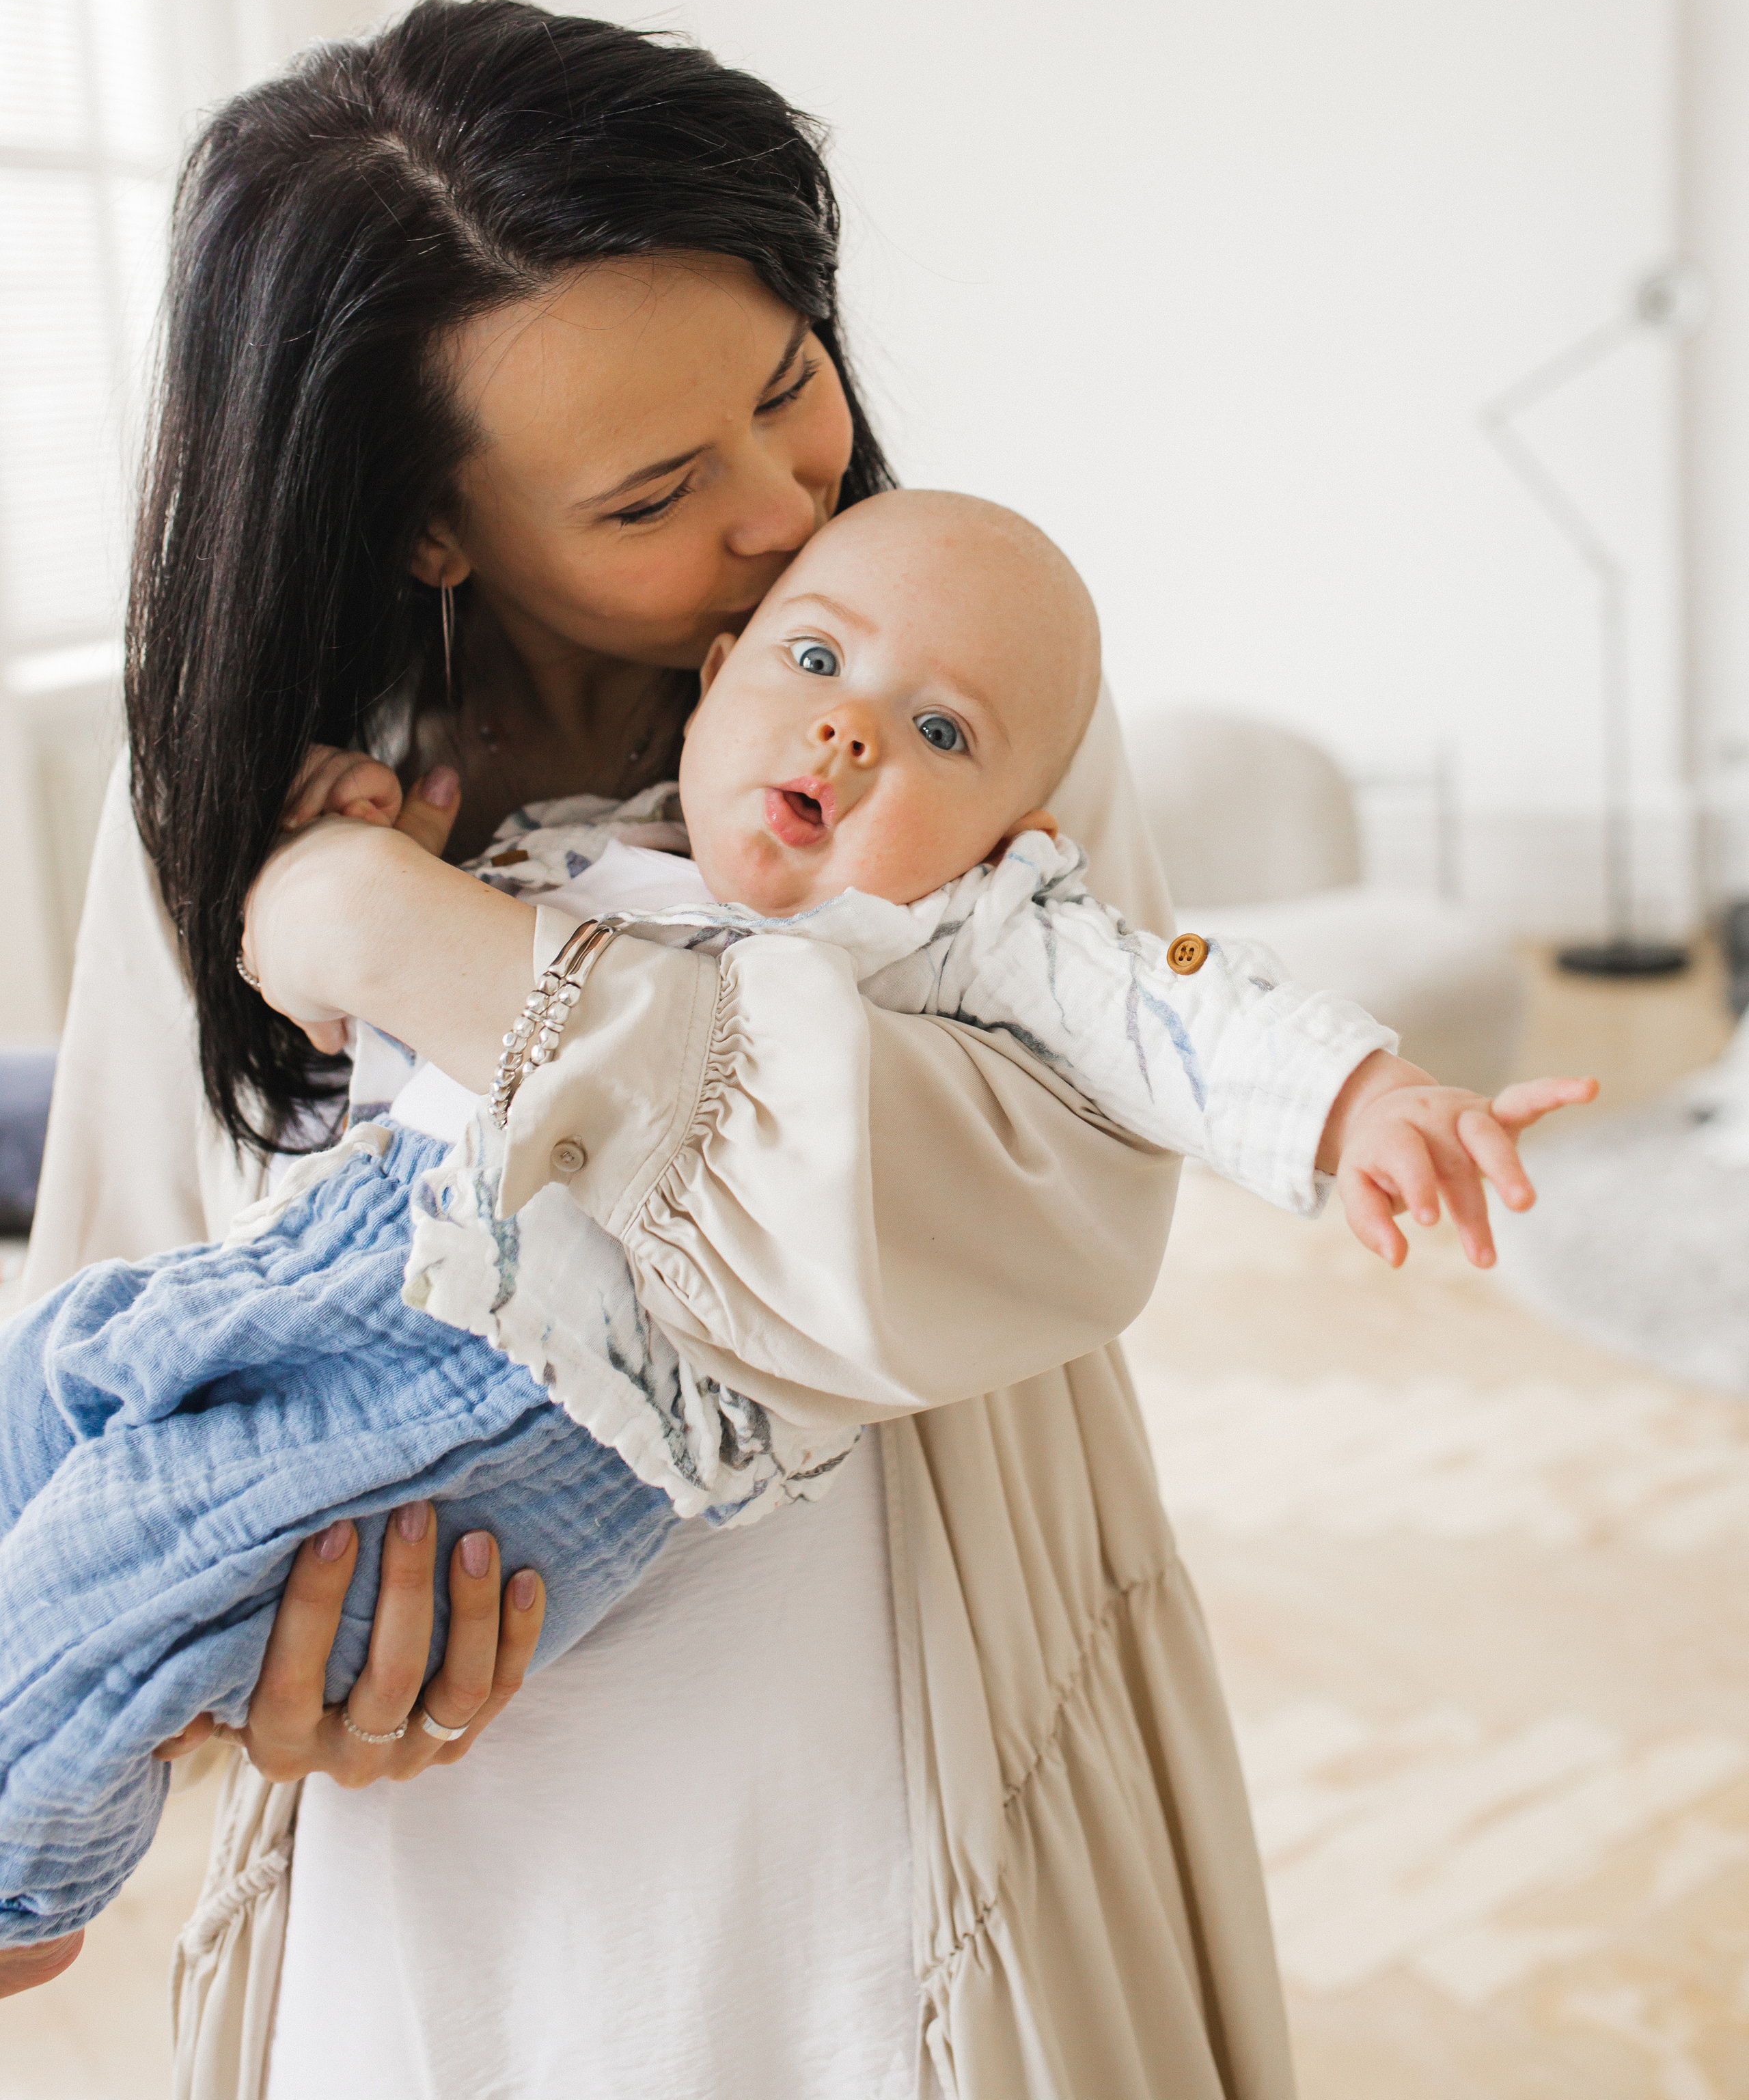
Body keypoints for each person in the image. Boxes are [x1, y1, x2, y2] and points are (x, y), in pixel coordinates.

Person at [5, 0, 1399, 2099]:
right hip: (443, 1810)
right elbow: (128, 1276)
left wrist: (427, 941)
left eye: (790, 385)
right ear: (424, 524)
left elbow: (1033, 1222)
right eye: (662, 489)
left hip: (876, 1726)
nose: (782, 517)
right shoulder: (225, 790)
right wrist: (242, 1686)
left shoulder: (952, 700)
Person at [0, 487, 1594, 1951]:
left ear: (1011, 839)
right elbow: (372, 1052)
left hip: (527, 1373)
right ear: (717, 677)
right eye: (815, 660)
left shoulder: (965, 932)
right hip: (354, 1257)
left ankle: (28, 1897)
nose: (848, 729)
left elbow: (1185, 1010)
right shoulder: (587, 849)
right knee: (58, 1370)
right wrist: (376, 864)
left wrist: (1364, 1096)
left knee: (137, 1553)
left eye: (940, 733)